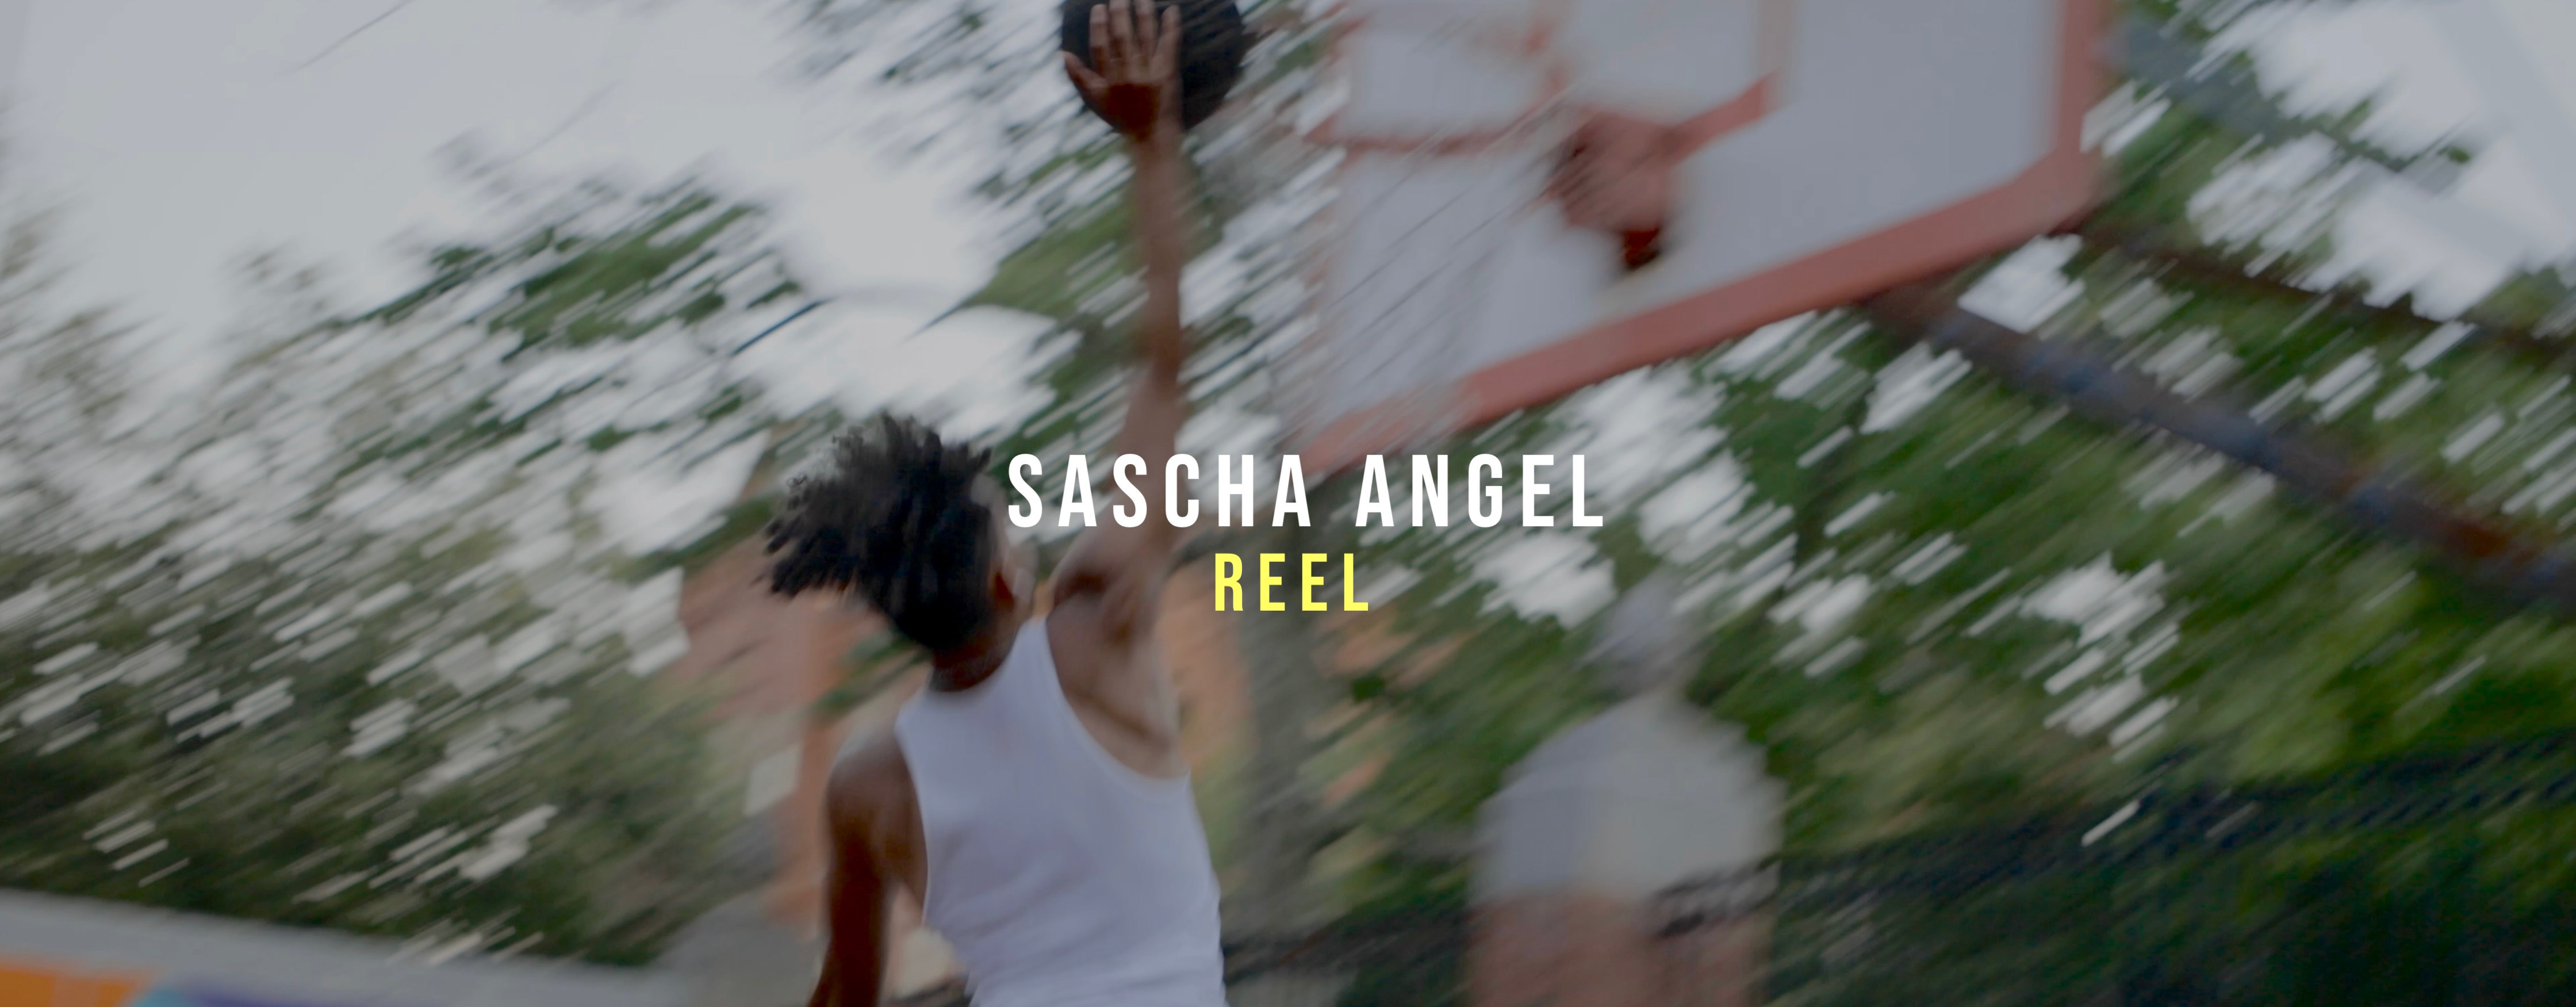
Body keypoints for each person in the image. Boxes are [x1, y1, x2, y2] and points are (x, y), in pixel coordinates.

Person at [761, 2, 1218, 1005]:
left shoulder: (866, 786)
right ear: (1010, 580)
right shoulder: (1097, 629)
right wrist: (1151, 146)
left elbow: (845, 997)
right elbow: (1163, 372)